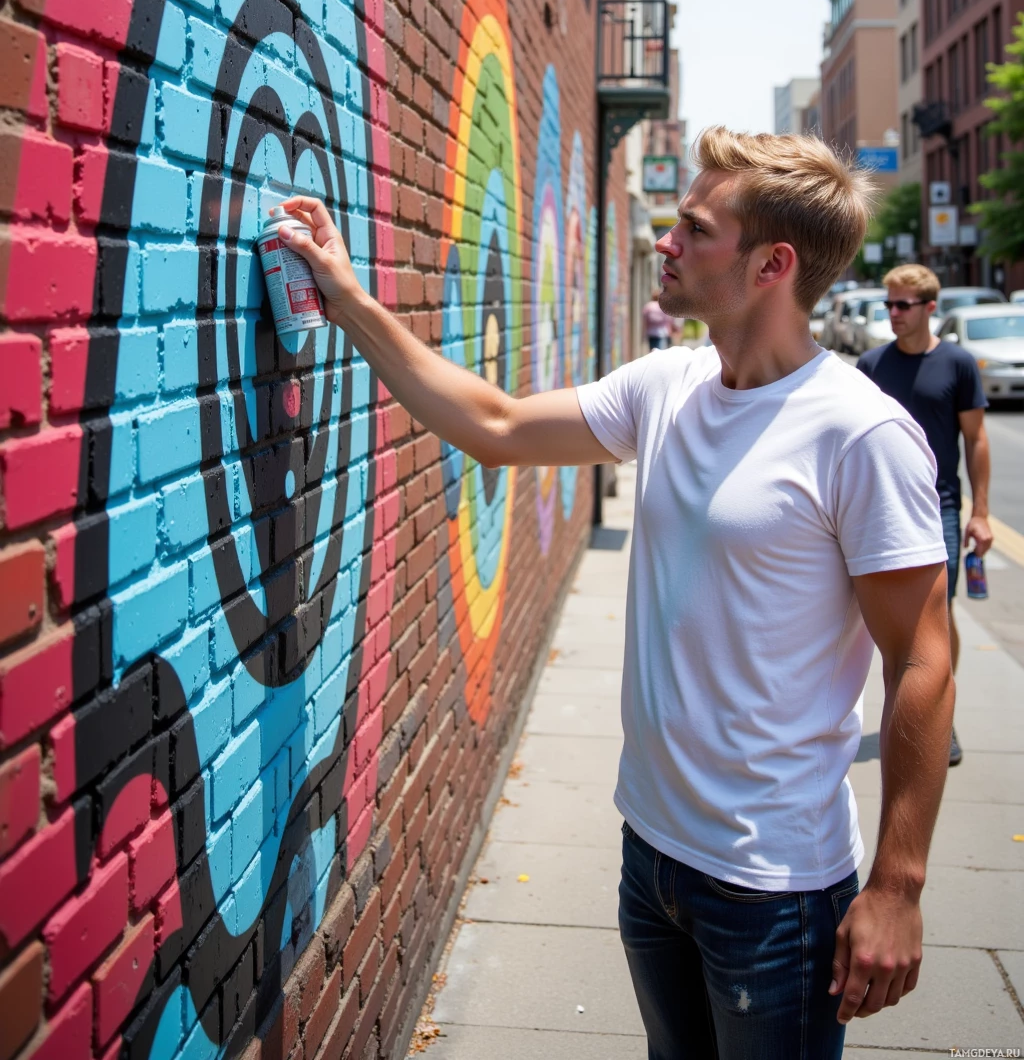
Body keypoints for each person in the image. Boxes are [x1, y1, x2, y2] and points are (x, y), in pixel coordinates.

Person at [278, 127, 952, 1060]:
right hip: (653, 855)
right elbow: (499, 424)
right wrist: (346, 299)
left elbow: (922, 658)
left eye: (693, 228)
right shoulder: (669, 383)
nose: (667, 243)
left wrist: (897, 887)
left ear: (772, 263)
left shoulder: (859, 434)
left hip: (777, 888)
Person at [857, 263, 993, 766]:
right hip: (878, 508)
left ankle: (938, 716)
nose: (892, 313)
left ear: (930, 308)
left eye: (902, 305)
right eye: (888, 303)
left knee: (937, 615)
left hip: (940, 508)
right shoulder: (871, 366)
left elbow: (976, 441)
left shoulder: (958, 364)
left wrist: (981, 513)